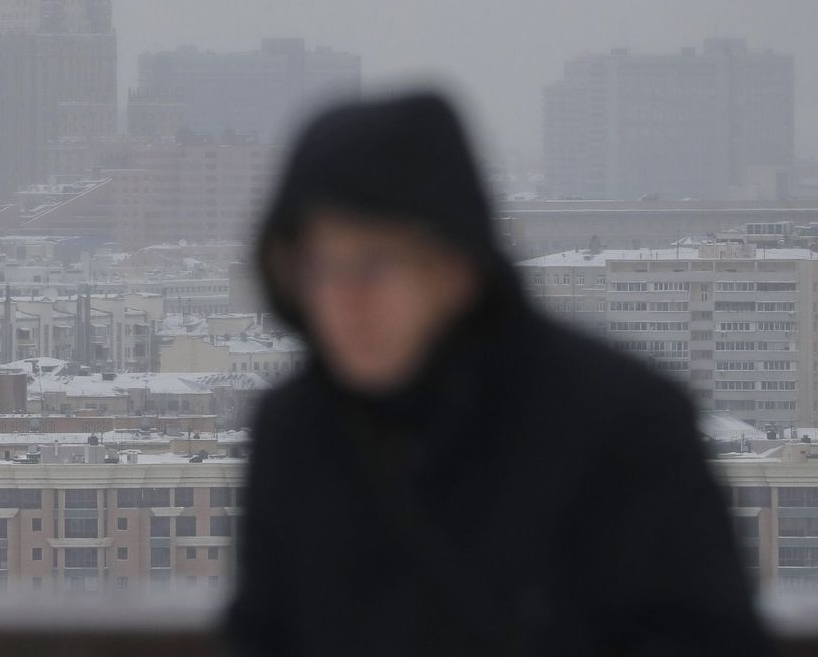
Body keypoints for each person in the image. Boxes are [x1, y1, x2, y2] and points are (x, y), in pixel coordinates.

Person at [225, 92, 769, 657]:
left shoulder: (622, 422)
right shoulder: (296, 431)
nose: (344, 300)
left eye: (374, 263)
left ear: (456, 269)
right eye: (319, 267)